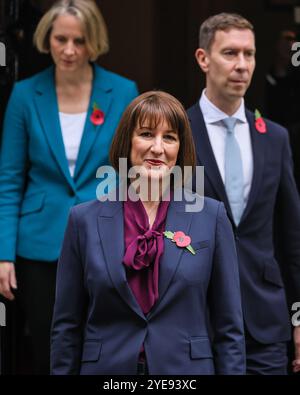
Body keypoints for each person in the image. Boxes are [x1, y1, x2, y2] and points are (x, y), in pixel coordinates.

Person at [50, 91, 246, 375]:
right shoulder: (83, 220)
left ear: (180, 149)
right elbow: (66, 327)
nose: (157, 148)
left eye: (169, 137)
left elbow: (230, 328)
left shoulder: (211, 217)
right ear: (127, 142)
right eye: (146, 134)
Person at [0, 0, 138, 375]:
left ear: (94, 43)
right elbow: (10, 180)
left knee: (103, 342)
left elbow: (130, 174)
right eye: (61, 39)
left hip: (103, 237)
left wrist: (135, 239)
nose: (69, 50)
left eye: (80, 41)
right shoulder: (26, 94)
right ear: (47, 38)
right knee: (49, 344)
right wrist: (3, 254)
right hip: (39, 245)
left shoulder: (123, 92)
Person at [187, 13, 300, 375]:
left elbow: (292, 238)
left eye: (249, 55)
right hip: (193, 319)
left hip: (264, 322)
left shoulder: (276, 137)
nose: (241, 65)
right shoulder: (175, 133)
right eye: (230, 53)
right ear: (203, 59)